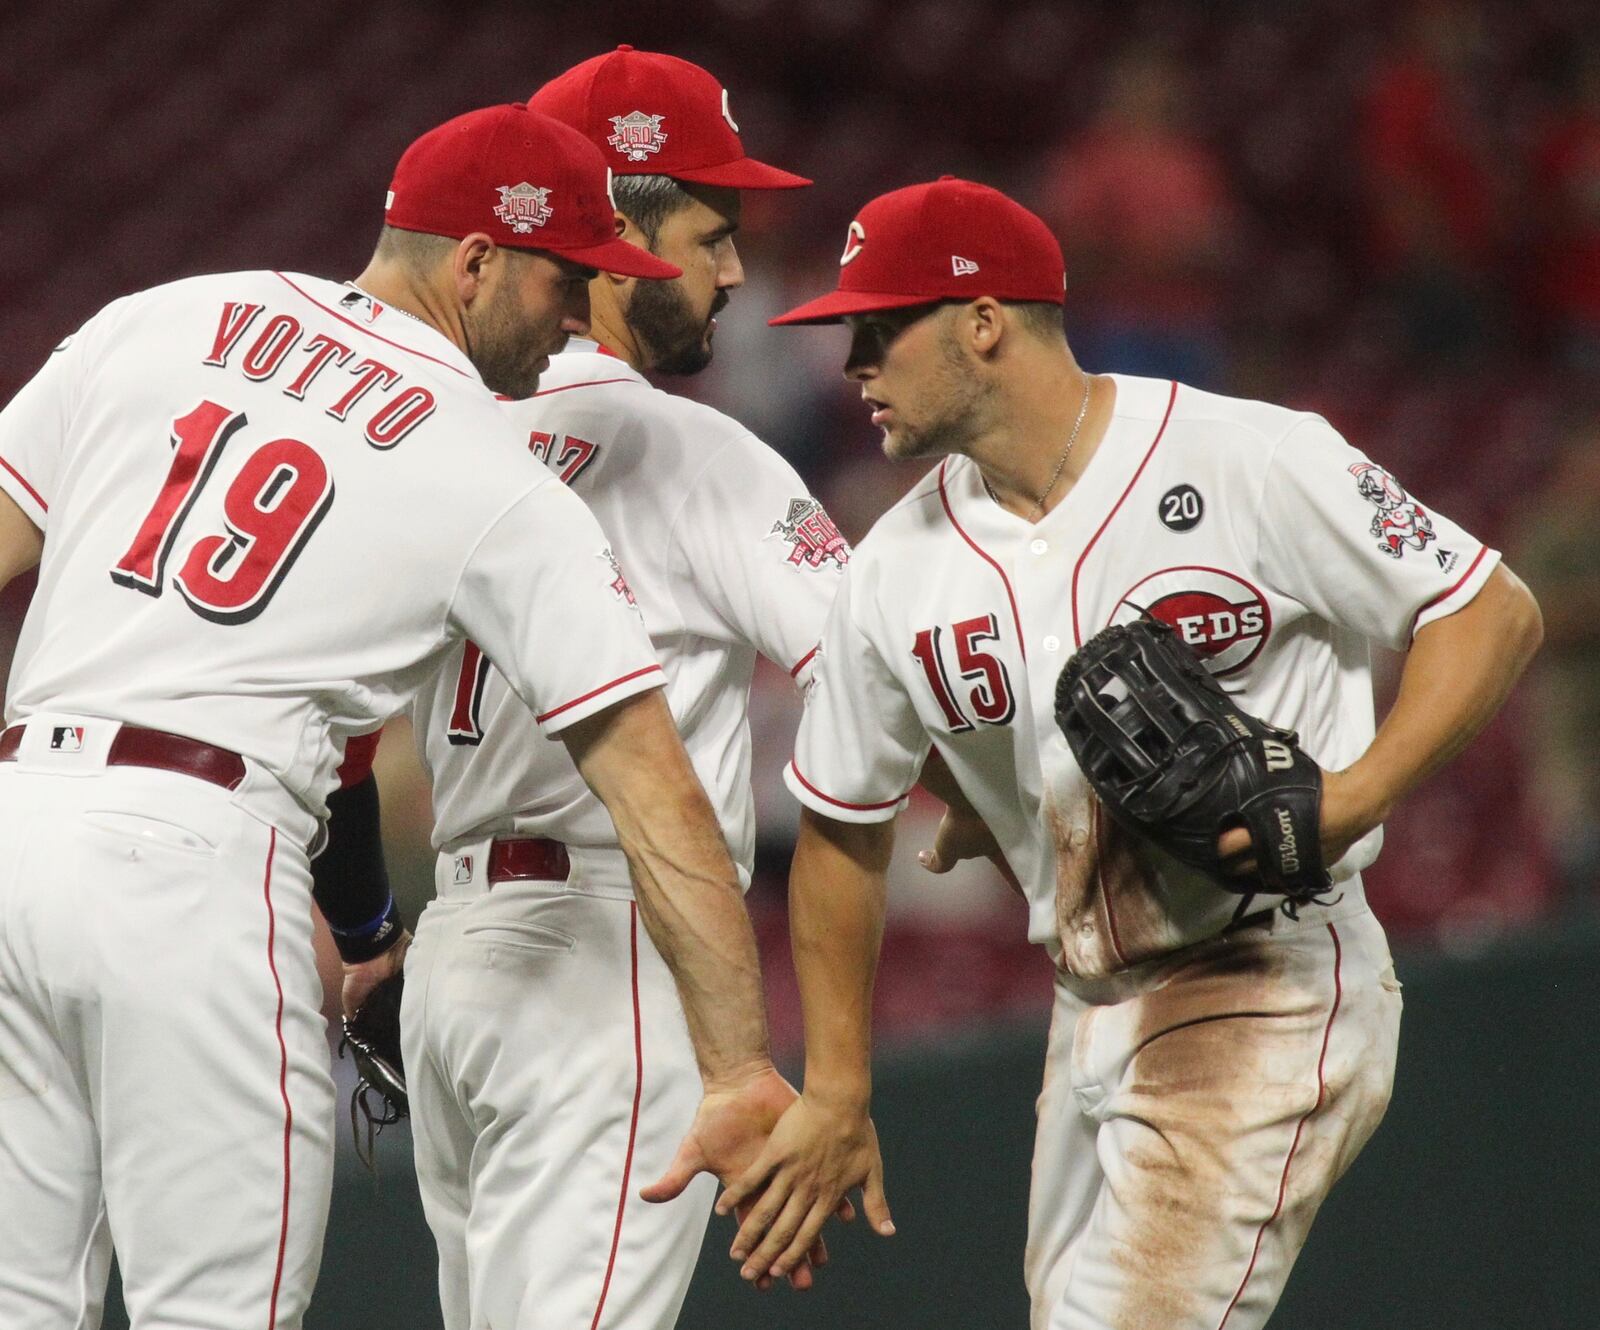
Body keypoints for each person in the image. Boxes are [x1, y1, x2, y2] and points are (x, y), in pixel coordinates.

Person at [0, 102, 787, 1330]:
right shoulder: (485, 463)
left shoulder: (160, 316)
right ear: (477, 261)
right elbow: (655, 785)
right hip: (196, 865)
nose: (582, 319)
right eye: (565, 282)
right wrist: (737, 1065)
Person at [717, 177, 1544, 1327]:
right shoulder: (892, 567)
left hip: (1267, 978)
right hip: (1090, 1005)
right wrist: (840, 1089)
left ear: (983, 322)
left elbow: (1487, 609)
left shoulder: (1250, 454)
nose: (852, 361)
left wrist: (1352, 795)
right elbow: (842, 830)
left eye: (878, 325)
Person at [324, 47, 851, 1330]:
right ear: (613, 225)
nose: (734, 270)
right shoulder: (697, 454)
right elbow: (882, 686)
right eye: (713, 231)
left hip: (448, 961)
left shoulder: (419, 436)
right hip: (613, 950)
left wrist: (368, 930)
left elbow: (335, 733)